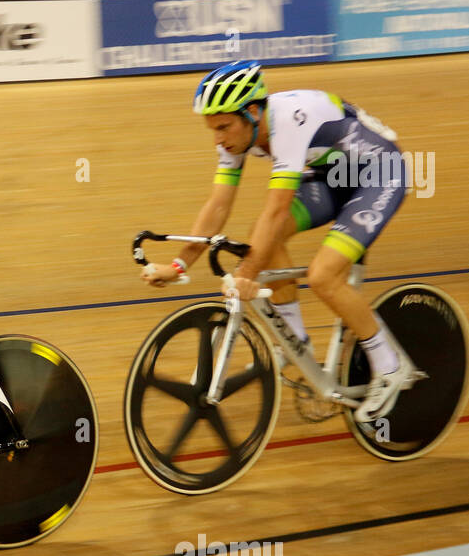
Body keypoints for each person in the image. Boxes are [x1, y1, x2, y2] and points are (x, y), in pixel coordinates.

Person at [141, 61, 414, 422]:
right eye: (213, 129)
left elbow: (277, 209)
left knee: (323, 276)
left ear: (252, 113)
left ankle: (391, 366)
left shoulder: (289, 122)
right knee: (261, 237)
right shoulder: (240, 132)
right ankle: (295, 341)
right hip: (331, 175)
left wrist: (248, 274)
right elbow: (218, 204)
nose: (219, 139)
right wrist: (179, 265)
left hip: (380, 174)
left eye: (223, 127)